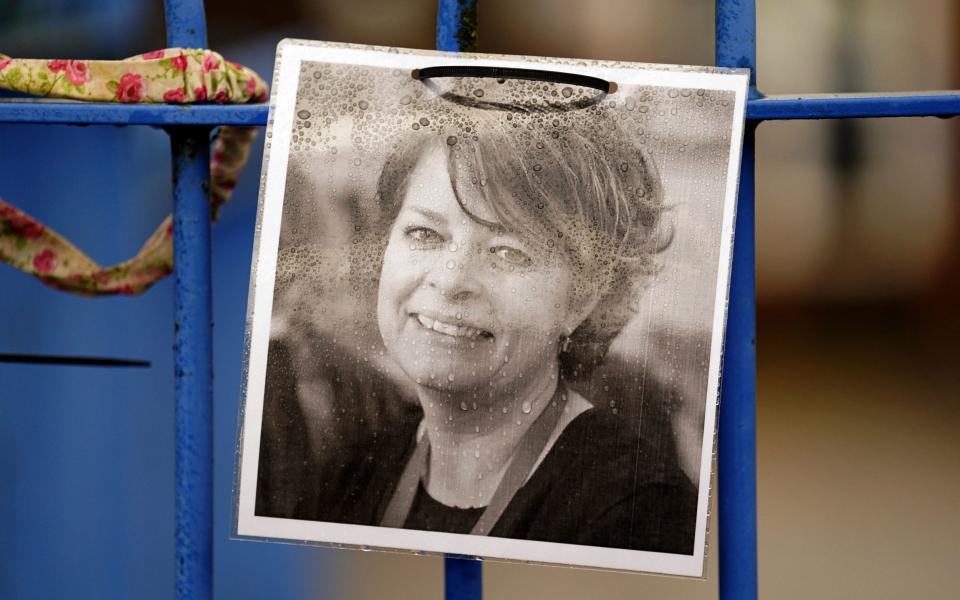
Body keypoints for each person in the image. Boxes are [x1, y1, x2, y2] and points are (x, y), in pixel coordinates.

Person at [257, 101, 697, 555]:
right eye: (425, 234)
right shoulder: (349, 479)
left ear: (583, 299)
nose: (449, 281)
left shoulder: (638, 512)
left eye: (508, 252)